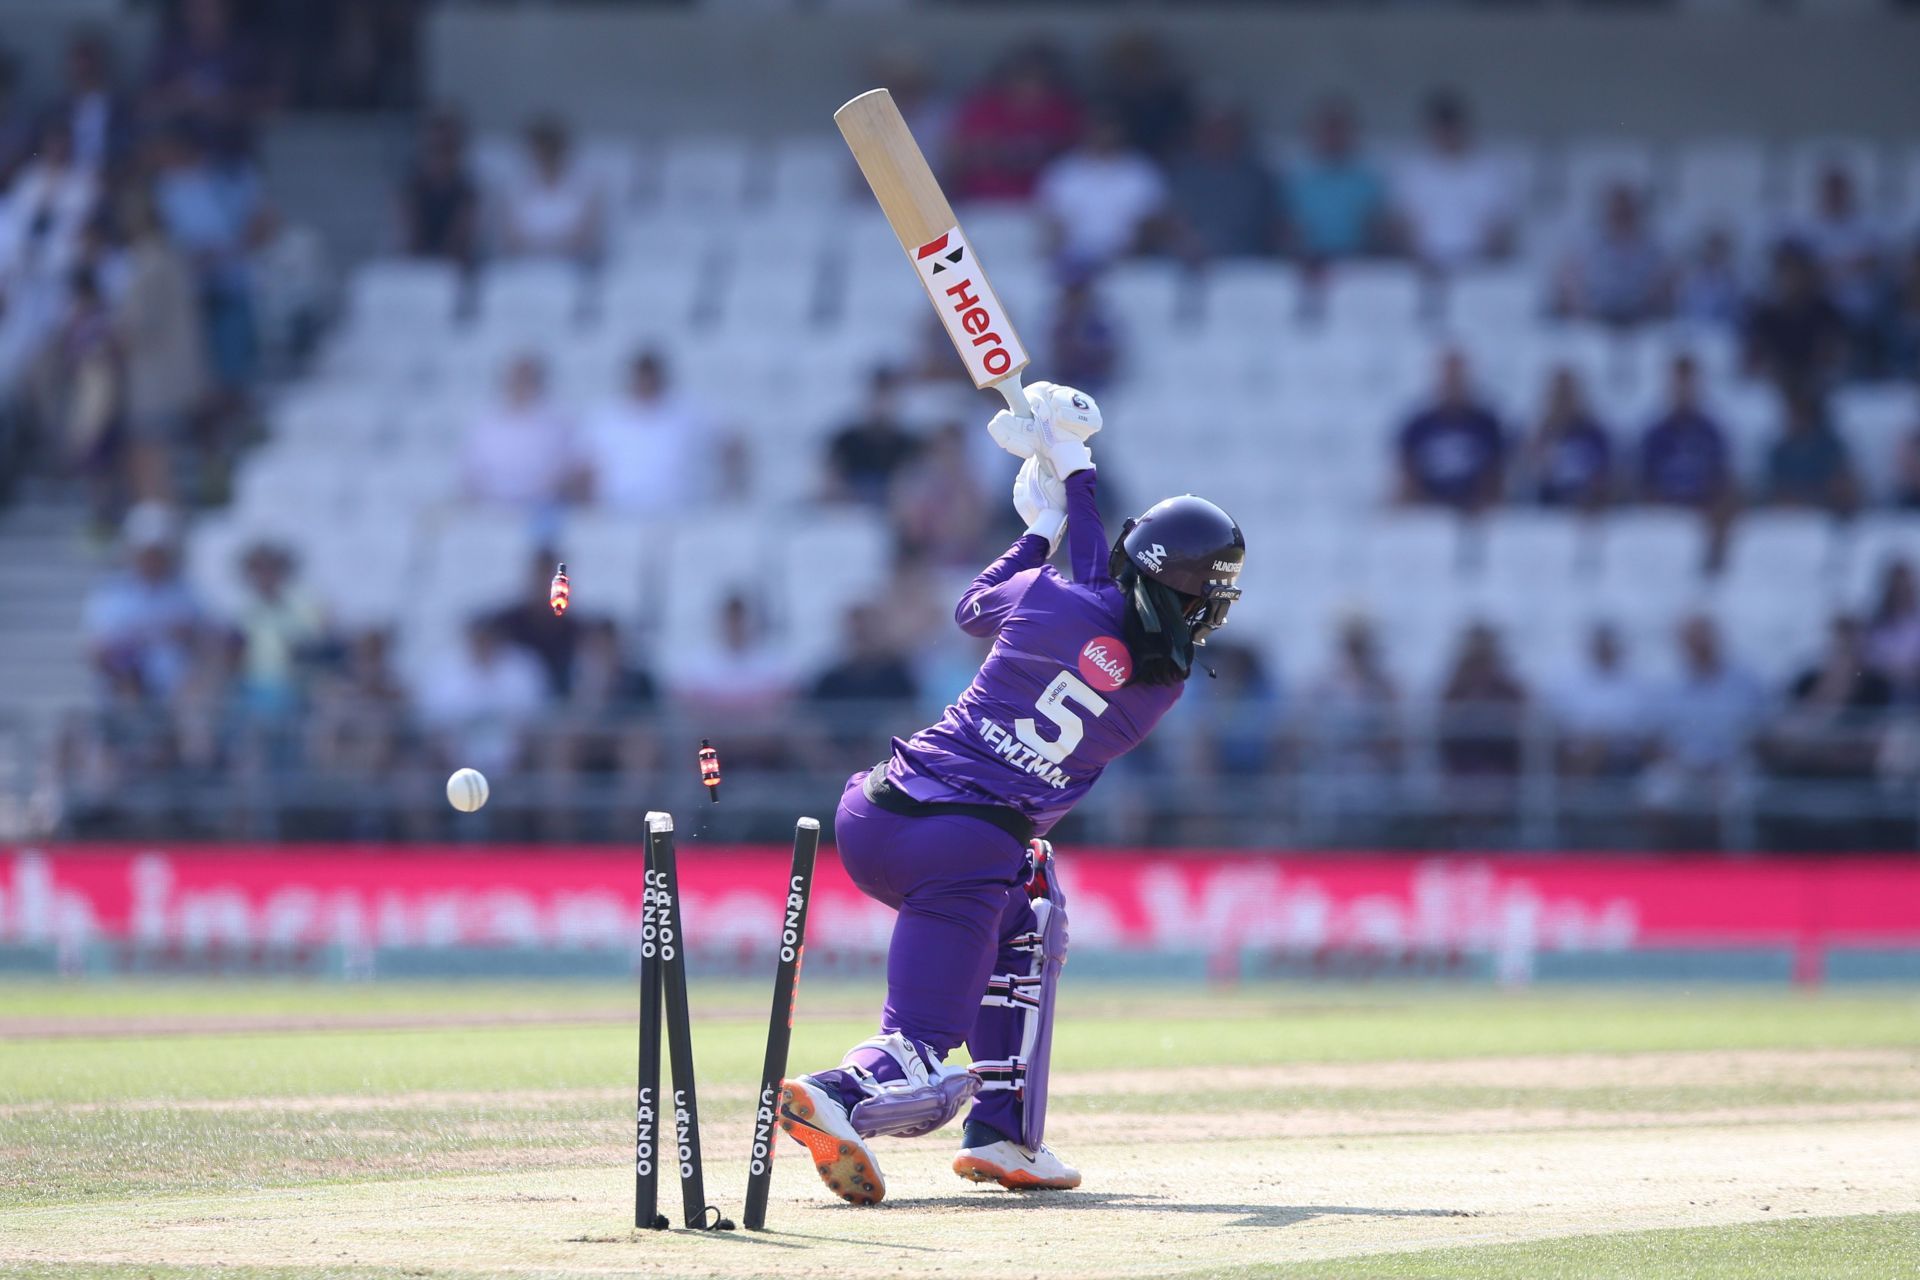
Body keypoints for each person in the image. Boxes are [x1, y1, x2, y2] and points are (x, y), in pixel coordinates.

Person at [776, 383, 1245, 1204]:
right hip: (961, 849)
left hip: (878, 810)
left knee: (1028, 919)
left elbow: (975, 605)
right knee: (923, 1048)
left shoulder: (1046, 597)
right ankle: (838, 1095)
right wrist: (1077, 479)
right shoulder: (1158, 687)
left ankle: (1006, 1137)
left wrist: (1041, 523)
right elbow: (1113, 593)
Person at [1389, 90, 1517, 270]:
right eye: (1441, 128)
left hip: (1477, 266)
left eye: (1452, 128)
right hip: (1424, 265)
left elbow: (1501, 227)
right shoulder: (1413, 171)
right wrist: (1413, 254)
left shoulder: (1488, 171)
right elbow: (1400, 225)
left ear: (1463, 128)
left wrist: (1486, 257)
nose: (1447, 135)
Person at [946, 45, 1083, 203]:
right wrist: (1003, 154)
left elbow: (1076, 160)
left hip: (1040, 205)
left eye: (1037, 78)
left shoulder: (1062, 112)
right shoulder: (984, 108)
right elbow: (956, 157)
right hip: (982, 202)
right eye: (1023, 77)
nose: (1029, 85)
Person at [1034, 112, 1165, 268]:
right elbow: (1053, 222)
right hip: (1073, 260)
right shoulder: (1063, 171)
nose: (1104, 134)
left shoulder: (1142, 170)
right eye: (1099, 128)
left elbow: (1151, 221)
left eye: (1109, 128)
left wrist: (1133, 252)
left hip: (1127, 260)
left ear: (1120, 131)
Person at [580, 349, 701, 513]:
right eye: (641, 377)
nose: (645, 382)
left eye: (650, 377)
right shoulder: (606, 416)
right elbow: (585, 467)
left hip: (675, 511)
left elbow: (731, 442)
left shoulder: (687, 411)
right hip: (616, 512)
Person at [459, 352, 581, 507]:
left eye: (527, 379)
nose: (521, 385)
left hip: (542, 511)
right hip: (491, 512)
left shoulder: (559, 424)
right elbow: (470, 476)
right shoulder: (485, 424)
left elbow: (568, 473)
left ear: (539, 382)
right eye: (516, 379)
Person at [1395, 347, 1508, 512]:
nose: (1453, 383)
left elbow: (1497, 472)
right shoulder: (1418, 426)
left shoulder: (1487, 425)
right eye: (1449, 377)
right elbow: (1407, 472)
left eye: (1458, 377)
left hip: (1477, 512)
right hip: (1429, 512)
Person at [1163, 103, 1281, 261]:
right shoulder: (1182, 174)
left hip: (1246, 265)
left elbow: (1271, 225)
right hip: (1188, 264)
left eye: (1226, 131)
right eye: (1213, 132)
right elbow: (1171, 219)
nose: (1219, 137)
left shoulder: (1257, 178)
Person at [1282, 97, 1388, 264]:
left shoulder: (1366, 181)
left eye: (1338, 130)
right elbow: (1287, 228)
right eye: (1326, 130)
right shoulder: (1298, 180)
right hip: (1309, 264)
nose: (1332, 137)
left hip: (1355, 264)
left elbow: (1377, 228)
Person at [1553, 184, 1669, 326]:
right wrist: (1583, 311)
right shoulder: (1588, 245)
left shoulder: (1653, 249)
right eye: (1616, 213)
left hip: (1639, 322)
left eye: (1626, 213)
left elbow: (1661, 287)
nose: (1621, 219)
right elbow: (1569, 283)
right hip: (1594, 321)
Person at [494, 116, 603, 263]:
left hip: (570, 267)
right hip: (524, 266)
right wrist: (553, 245)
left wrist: (539, 244)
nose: (545, 155)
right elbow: (510, 239)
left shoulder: (586, 186)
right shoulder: (515, 187)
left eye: (550, 149)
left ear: (561, 150)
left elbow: (586, 238)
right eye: (540, 150)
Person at [1743, 240, 1846, 394]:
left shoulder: (1825, 312)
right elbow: (1755, 359)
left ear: (1807, 274)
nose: (1790, 279)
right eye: (1784, 272)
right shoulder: (1765, 315)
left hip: (1818, 388)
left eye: (1796, 272)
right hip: (1776, 388)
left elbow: (1837, 353)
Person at [1551, 622, 1647, 777]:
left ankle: (1575, 792)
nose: (1605, 649)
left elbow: (1637, 724)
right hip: (1581, 749)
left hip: (1624, 753)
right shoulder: (1570, 683)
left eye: (1608, 644)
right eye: (1601, 644)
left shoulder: (1635, 684)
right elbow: (1565, 723)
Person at [825, 365, 920, 506]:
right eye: (878, 396)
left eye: (888, 396)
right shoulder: (845, 442)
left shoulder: (911, 446)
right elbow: (828, 490)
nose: (882, 404)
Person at [1523, 365, 1613, 509]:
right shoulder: (1541, 434)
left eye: (1568, 394)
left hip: (1587, 512)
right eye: (1559, 394)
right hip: (1548, 516)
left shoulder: (1594, 434)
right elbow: (1530, 479)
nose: (1563, 400)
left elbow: (1607, 477)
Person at [398, 109, 478, 265]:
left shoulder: (467, 192)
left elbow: (461, 241)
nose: (440, 159)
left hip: (455, 268)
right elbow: (407, 237)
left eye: (446, 150)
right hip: (416, 264)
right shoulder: (410, 189)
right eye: (434, 150)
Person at [1764, 385, 1858, 514]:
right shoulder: (1779, 450)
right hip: (1790, 512)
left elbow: (1839, 481)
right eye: (1790, 415)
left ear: (1809, 417)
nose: (1792, 420)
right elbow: (1775, 488)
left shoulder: (1830, 446)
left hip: (1826, 508)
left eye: (1798, 415)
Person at [1863, 558, 1920, 696]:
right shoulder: (1877, 623)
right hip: (1882, 683)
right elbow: (1869, 656)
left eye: (1905, 587)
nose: (1901, 592)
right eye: (1897, 587)